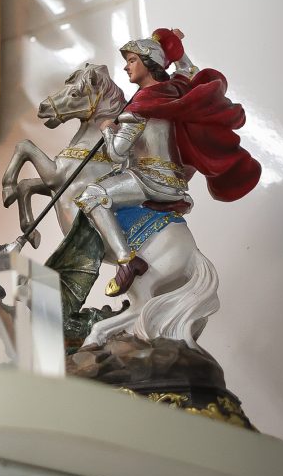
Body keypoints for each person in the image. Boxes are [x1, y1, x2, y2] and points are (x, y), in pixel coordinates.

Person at [75, 28, 261, 297]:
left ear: (148, 62)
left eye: (132, 60)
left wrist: (106, 129)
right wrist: (176, 49)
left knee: (92, 195)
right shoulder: (175, 90)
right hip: (174, 181)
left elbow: (116, 154)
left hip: (148, 180)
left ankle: (127, 262)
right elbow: (189, 71)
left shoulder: (139, 106)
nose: (126, 67)